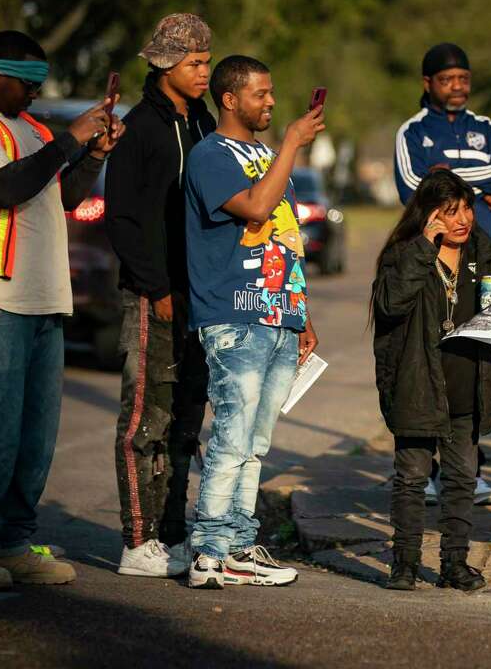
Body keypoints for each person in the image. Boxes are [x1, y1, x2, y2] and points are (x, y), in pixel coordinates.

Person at [0, 30, 124, 589]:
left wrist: (91, 156)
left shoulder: (29, 129)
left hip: (41, 298)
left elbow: (59, 197)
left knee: (35, 433)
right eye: (28, 83)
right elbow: (3, 189)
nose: (36, 94)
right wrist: (68, 141)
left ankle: (12, 542)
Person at [182, 55, 322, 589]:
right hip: (233, 316)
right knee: (233, 438)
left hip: (277, 315)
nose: (270, 101)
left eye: (271, 92)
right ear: (230, 99)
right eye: (260, 94)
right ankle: (210, 551)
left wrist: (300, 311)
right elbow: (257, 210)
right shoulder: (210, 155)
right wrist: (290, 144)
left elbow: (285, 234)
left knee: (257, 442)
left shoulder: (264, 154)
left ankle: (239, 545)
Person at [105, 13, 215, 577]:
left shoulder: (203, 122)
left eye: (206, 61)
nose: (204, 72)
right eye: (194, 63)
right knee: (145, 419)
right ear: (166, 64)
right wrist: (156, 287)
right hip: (154, 297)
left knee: (185, 422)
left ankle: (172, 535)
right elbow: (121, 220)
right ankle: (137, 541)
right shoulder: (138, 129)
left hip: (201, 297)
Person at [371, 169, 491, 592]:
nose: (462, 219)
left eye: (466, 208)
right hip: (417, 384)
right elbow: (390, 305)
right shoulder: (404, 252)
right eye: (450, 211)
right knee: (413, 477)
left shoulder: (482, 249)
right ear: (429, 214)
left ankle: (454, 564)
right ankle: (405, 565)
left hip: (468, 383)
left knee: (461, 479)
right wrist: (424, 249)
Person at [393, 42, 491, 505]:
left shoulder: (487, 129)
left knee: (473, 368)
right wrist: (483, 189)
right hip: (429, 265)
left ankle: (471, 471)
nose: (458, 87)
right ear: (428, 83)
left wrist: (453, 176)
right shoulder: (411, 132)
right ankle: (425, 471)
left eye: (464, 78)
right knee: (426, 367)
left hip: (477, 266)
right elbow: (414, 187)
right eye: (448, 79)